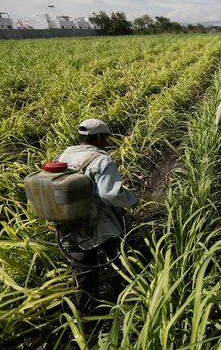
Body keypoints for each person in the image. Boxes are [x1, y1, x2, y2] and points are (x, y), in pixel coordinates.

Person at [57, 118, 138, 313]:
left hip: (69, 222)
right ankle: (132, 294)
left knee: (81, 266)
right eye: (106, 137)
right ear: (100, 137)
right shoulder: (101, 160)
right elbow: (110, 194)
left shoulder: (66, 155)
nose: (107, 141)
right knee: (120, 255)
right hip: (99, 224)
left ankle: (84, 309)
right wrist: (132, 199)